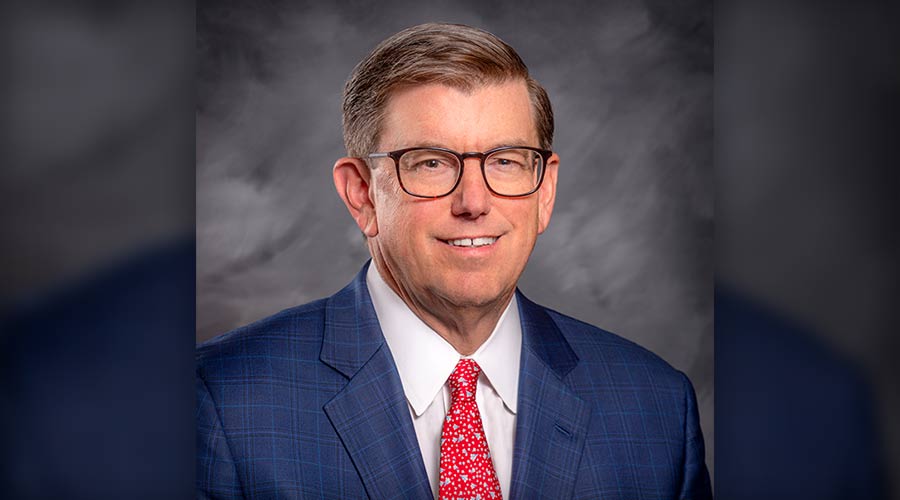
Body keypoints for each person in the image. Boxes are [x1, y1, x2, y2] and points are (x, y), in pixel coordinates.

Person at [197, 23, 711, 499]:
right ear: (362, 194)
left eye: (505, 161)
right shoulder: (220, 401)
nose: (474, 202)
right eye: (431, 163)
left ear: (545, 191)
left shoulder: (655, 407)